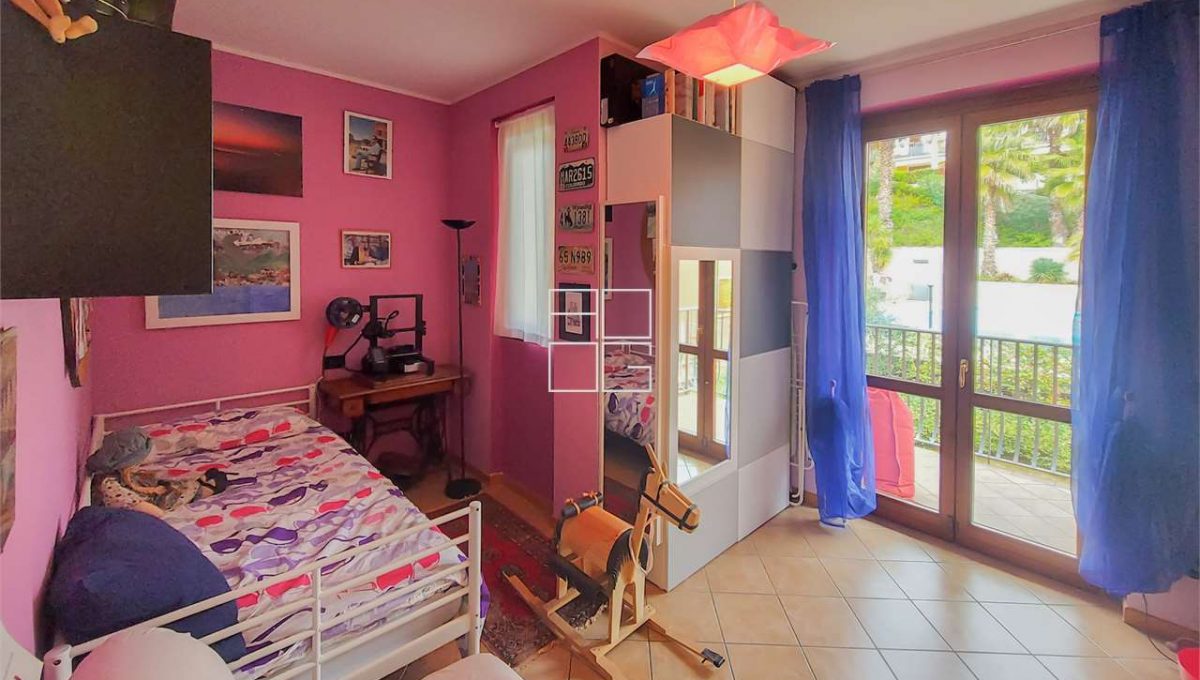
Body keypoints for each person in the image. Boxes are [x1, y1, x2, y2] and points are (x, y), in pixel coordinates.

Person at [87, 429, 230, 518]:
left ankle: (197, 485)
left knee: (169, 483)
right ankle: (201, 489)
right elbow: (157, 513)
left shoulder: (110, 474)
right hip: (156, 503)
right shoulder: (111, 489)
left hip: (150, 494)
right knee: (183, 490)